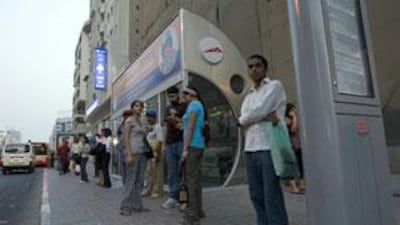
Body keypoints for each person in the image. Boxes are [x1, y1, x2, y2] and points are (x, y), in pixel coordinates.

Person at [238, 54, 289, 225]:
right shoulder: (248, 96)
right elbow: (249, 116)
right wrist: (258, 116)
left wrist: (248, 118)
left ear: (265, 69)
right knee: (256, 195)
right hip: (250, 149)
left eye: (257, 65)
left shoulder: (275, 86)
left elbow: (258, 112)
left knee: (271, 194)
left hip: (269, 147)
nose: (253, 69)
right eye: (250, 66)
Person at [180, 86, 206, 225]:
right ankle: (198, 210)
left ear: (191, 95)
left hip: (192, 146)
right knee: (196, 179)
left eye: (185, 95)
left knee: (191, 180)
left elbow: (190, 127)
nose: (184, 98)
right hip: (198, 145)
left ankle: (192, 215)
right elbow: (189, 126)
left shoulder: (193, 105)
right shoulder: (198, 105)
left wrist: (185, 148)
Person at [120, 100, 150, 215]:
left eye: (141, 106)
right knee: (131, 180)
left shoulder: (141, 121)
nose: (139, 108)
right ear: (132, 108)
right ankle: (125, 206)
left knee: (139, 180)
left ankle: (137, 205)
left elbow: (144, 135)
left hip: (142, 153)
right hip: (133, 152)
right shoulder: (130, 120)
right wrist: (128, 154)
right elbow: (126, 138)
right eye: (136, 106)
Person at [162, 86, 187, 209]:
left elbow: (187, 123)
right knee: (172, 171)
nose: (171, 99)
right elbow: (167, 126)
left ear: (178, 95)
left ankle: (185, 199)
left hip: (182, 141)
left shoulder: (184, 106)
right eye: (169, 97)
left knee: (182, 171)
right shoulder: (167, 108)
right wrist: (165, 144)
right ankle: (173, 197)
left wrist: (176, 118)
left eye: (173, 96)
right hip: (170, 143)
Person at [141, 110, 164, 198]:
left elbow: (160, 141)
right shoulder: (150, 128)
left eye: (150, 117)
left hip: (156, 152)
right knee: (149, 172)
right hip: (149, 153)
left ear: (154, 118)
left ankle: (157, 191)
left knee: (157, 173)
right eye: (147, 117)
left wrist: (158, 153)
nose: (148, 119)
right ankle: (147, 189)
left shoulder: (158, 127)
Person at [285, 103, 305, 194]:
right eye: (292, 110)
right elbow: (293, 130)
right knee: (292, 166)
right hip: (291, 146)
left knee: (300, 165)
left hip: (297, 145)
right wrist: (295, 118)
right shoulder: (287, 120)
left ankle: (300, 185)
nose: (294, 111)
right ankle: (294, 187)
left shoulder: (293, 118)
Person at [117, 109, 133, 185]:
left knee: (129, 168)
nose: (125, 117)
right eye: (124, 116)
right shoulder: (121, 125)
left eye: (127, 116)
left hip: (129, 149)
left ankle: (129, 185)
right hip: (121, 148)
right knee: (123, 168)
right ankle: (125, 184)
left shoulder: (133, 124)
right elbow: (118, 135)